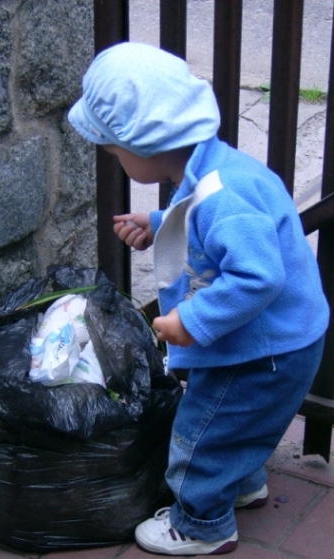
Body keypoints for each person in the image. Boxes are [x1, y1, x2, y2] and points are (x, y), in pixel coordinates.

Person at [68, 42, 329, 556]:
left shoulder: (222, 197)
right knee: (240, 420)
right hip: (282, 340)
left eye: (114, 152)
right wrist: (160, 224)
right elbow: (207, 224)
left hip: (262, 351)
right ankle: (242, 483)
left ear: (145, 146)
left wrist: (190, 320)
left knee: (201, 429)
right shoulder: (218, 170)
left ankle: (201, 524)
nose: (115, 161)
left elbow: (257, 277)